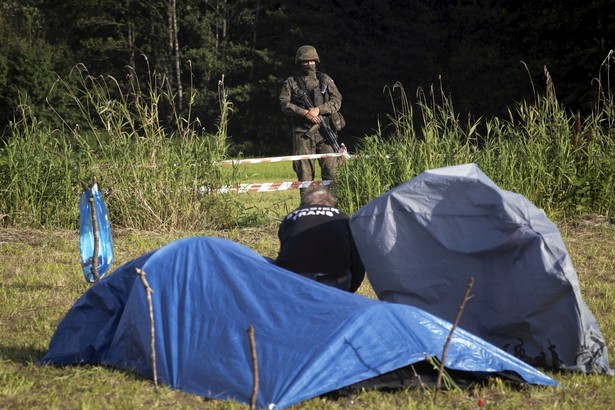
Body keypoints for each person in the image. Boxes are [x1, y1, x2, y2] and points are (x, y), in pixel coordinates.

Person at [274, 186, 365, 292]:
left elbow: (286, 248)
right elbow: (357, 262)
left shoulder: (290, 217)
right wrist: (349, 292)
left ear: (304, 204)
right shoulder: (342, 217)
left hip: (291, 280)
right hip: (329, 281)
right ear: (330, 204)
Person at [279, 45, 343, 188]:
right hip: (303, 135)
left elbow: (337, 100)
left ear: (316, 61)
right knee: (305, 177)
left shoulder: (324, 79)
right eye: (305, 62)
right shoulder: (291, 82)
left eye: (312, 61)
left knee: (331, 174)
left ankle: (331, 208)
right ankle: (308, 208)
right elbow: (285, 104)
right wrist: (305, 113)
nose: (309, 64)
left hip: (326, 133)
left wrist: (318, 110)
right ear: (299, 62)